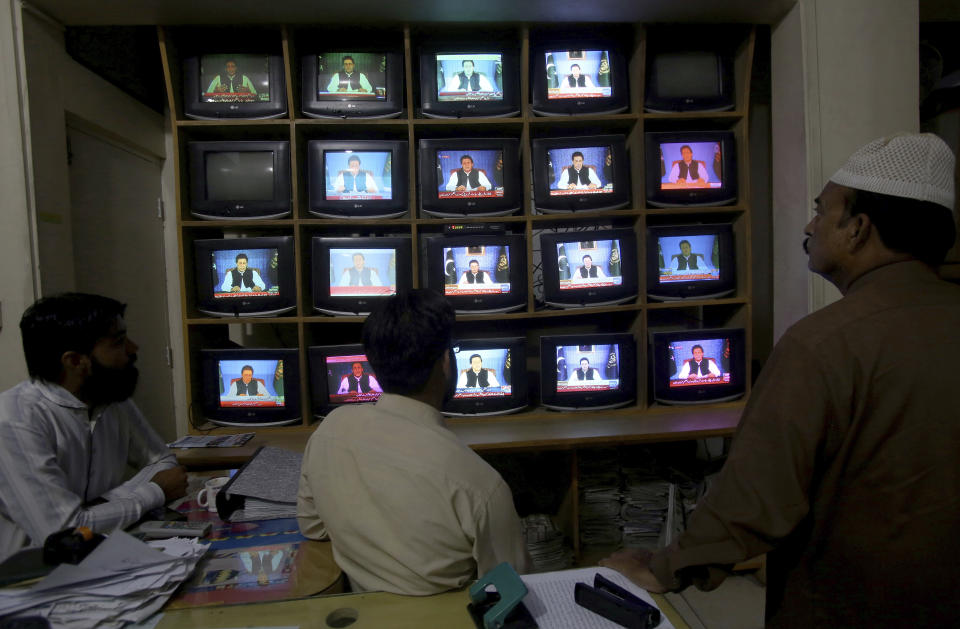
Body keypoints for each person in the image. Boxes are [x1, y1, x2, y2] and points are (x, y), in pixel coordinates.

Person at [600, 133, 960, 628]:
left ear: (858, 229)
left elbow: (757, 493)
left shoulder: (824, 343)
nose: (811, 224)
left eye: (822, 210)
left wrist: (665, 568)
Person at [297, 289, 529, 594]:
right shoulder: (481, 486)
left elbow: (313, 527)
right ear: (446, 362)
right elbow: (510, 592)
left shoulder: (329, 431)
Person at [0, 293, 187, 562]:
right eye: (119, 342)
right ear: (75, 360)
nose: (134, 348)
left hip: (109, 556)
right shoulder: (15, 420)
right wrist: (152, 493)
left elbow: (165, 464)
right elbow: (63, 532)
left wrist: (98, 508)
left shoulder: (108, 398)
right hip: (35, 580)